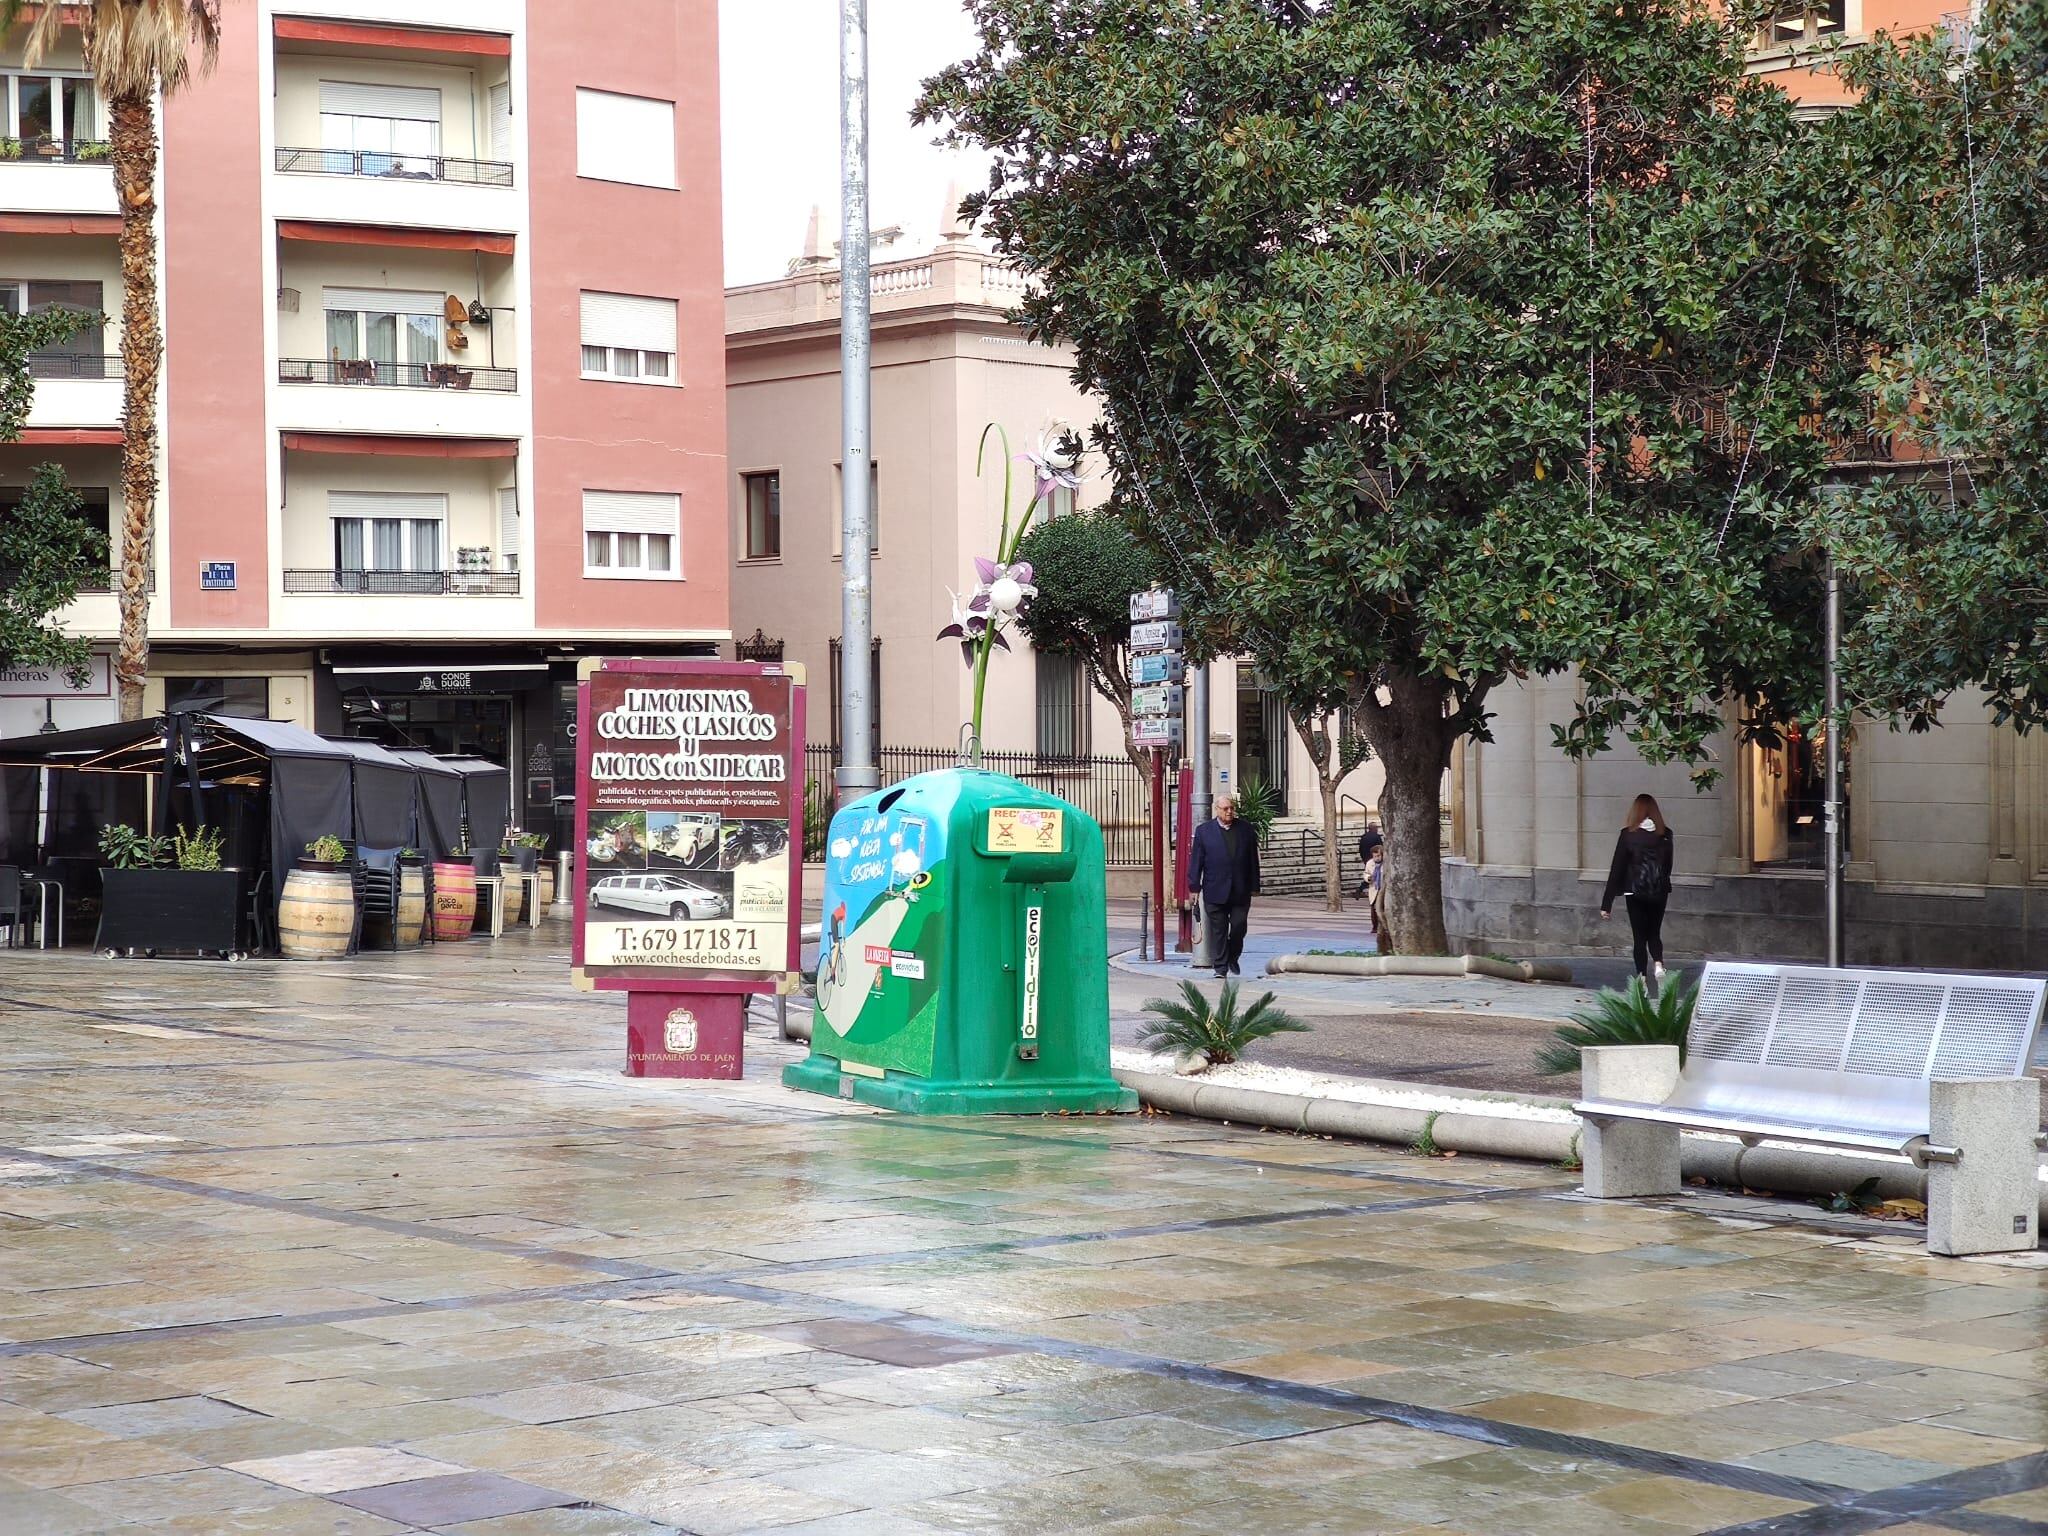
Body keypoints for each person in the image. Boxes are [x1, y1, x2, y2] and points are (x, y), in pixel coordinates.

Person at [1601, 794, 1674, 984]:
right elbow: (1668, 866)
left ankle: (1641, 976)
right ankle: (1658, 963)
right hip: (1659, 891)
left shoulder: (1627, 835)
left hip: (1634, 891)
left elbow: (1617, 868)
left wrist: (1606, 903)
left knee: (1639, 937)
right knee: (1654, 931)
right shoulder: (1666, 834)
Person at [1188, 792, 1260, 978]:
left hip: (1240, 891)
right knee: (1219, 931)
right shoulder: (1204, 831)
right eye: (1225, 808)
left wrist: (1255, 885)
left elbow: (1253, 860)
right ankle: (1220, 967)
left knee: (1238, 926)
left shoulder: (1246, 830)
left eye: (1231, 808)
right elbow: (1197, 861)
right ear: (1217, 810)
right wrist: (1194, 887)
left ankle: (1233, 956)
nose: (1229, 812)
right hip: (1214, 889)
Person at [1364, 842, 1389, 950]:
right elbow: (1365, 873)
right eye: (1374, 856)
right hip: (1374, 888)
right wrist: (1368, 878)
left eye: (1378, 856)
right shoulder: (1370, 863)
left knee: (1382, 908)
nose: (1376, 858)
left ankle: (1383, 925)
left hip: (1383, 888)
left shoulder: (1386, 863)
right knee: (1374, 908)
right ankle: (1374, 926)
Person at [1350, 820, 1383, 898]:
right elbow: (1381, 848)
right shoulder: (1377, 837)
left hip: (1366, 859)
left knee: (1370, 875)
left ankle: (1360, 889)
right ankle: (1365, 889)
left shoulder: (1363, 837)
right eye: (1376, 827)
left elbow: (1360, 849)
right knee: (1375, 875)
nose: (1377, 829)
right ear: (1374, 828)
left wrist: (1364, 858)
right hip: (1376, 859)